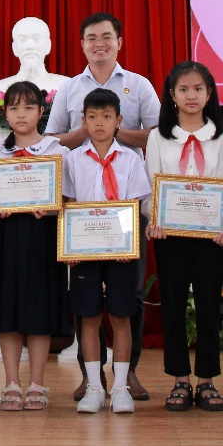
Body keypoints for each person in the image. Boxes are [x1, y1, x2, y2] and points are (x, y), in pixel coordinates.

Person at [45, 12, 160, 401]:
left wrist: (115, 132)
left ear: (119, 42)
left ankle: (129, 374)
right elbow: (51, 140)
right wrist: (84, 132)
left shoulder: (138, 85)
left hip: (128, 207)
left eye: (107, 37)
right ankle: (89, 377)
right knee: (86, 303)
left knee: (129, 298)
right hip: (83, 210)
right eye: (92, 37)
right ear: (81, 44)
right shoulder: (69, 88)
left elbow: (158, 134)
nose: (100, 43)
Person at [146, 61, 223, 413]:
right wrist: (155, 219)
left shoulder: (221, 138)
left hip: (210, 238)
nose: (191, 95)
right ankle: (180, 379)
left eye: (198, 88)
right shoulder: (158, 137)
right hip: (169, 235)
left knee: (208, 306)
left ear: (209, 94)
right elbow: (151, 184)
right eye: (183, 89)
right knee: (172, 305)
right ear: (172, 95)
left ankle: (207, 380)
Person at [0, 81, 69, 412]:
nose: (21, 114)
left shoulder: (57, 151)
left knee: (39, 308)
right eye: (14, 108)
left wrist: (52, 207)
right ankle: (11, 383)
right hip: (6, 236)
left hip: (42, 236)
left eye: (29, 107)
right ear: (5, 113)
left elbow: (68, 199)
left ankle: (36, 383)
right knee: (8, 308)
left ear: (41, 111)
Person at [62, 88, 151, 414]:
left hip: (121, 252)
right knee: (88, 316)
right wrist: (71, 246)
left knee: (121, 315)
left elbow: (137, 206)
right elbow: (69, 204)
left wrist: (129, 244)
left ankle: (121, 386)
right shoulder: (72, 160)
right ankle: (94, 387)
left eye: (106, 116)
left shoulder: (131, 159)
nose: (99, 123)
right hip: (85, 252)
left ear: (119, 120)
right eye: (93, 117)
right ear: (83, 121)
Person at [0, 17, 70, 102]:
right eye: (22, 39)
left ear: (48, 45)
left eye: (36, 39)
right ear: (14, 48)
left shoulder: (66, 86)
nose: (29, 46)